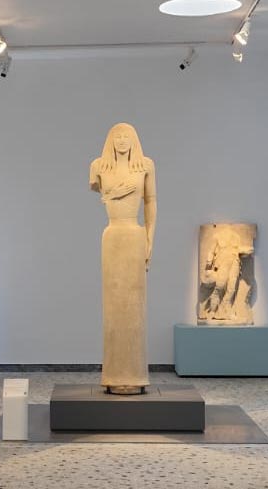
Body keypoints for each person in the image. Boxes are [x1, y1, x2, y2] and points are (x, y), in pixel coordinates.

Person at [89, 123, 157, 395]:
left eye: (126, 136)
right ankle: (114, 373)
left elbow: (151, 202)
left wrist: (150, 239)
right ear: (110, 140)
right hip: (112, 236)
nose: (121, 140)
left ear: (134, 140)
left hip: (135, 236)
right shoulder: (98, 167)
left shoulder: (145, 166)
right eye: (116, 136)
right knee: (114, 310)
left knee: (135, 311)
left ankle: (136, 373)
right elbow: (100, 191)